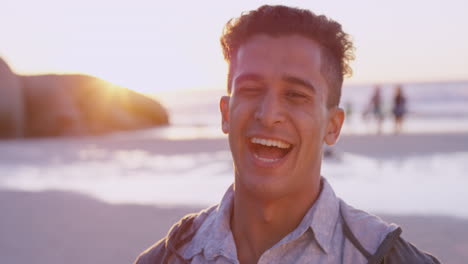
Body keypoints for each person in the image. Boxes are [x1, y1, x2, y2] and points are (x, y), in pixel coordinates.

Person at [134, 5, 440, 264]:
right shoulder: (170, 256)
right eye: (251, 90)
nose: (268, 115)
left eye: (295, 95)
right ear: (226, 114)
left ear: (333, 125)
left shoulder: (382, 255)